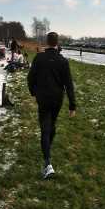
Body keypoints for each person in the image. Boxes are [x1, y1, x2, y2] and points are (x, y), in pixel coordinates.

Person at [28, 32, 77, 180]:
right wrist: (72, 105)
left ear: (47, 42)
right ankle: (48, 152)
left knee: (45, 127)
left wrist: (33, 92)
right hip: (57, 98)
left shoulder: (39, 58)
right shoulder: (63, 61)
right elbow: (69, 84)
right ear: (57, 43)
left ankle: (47, 162)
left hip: (43, 97)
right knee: (51, 124)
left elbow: (30, 77)